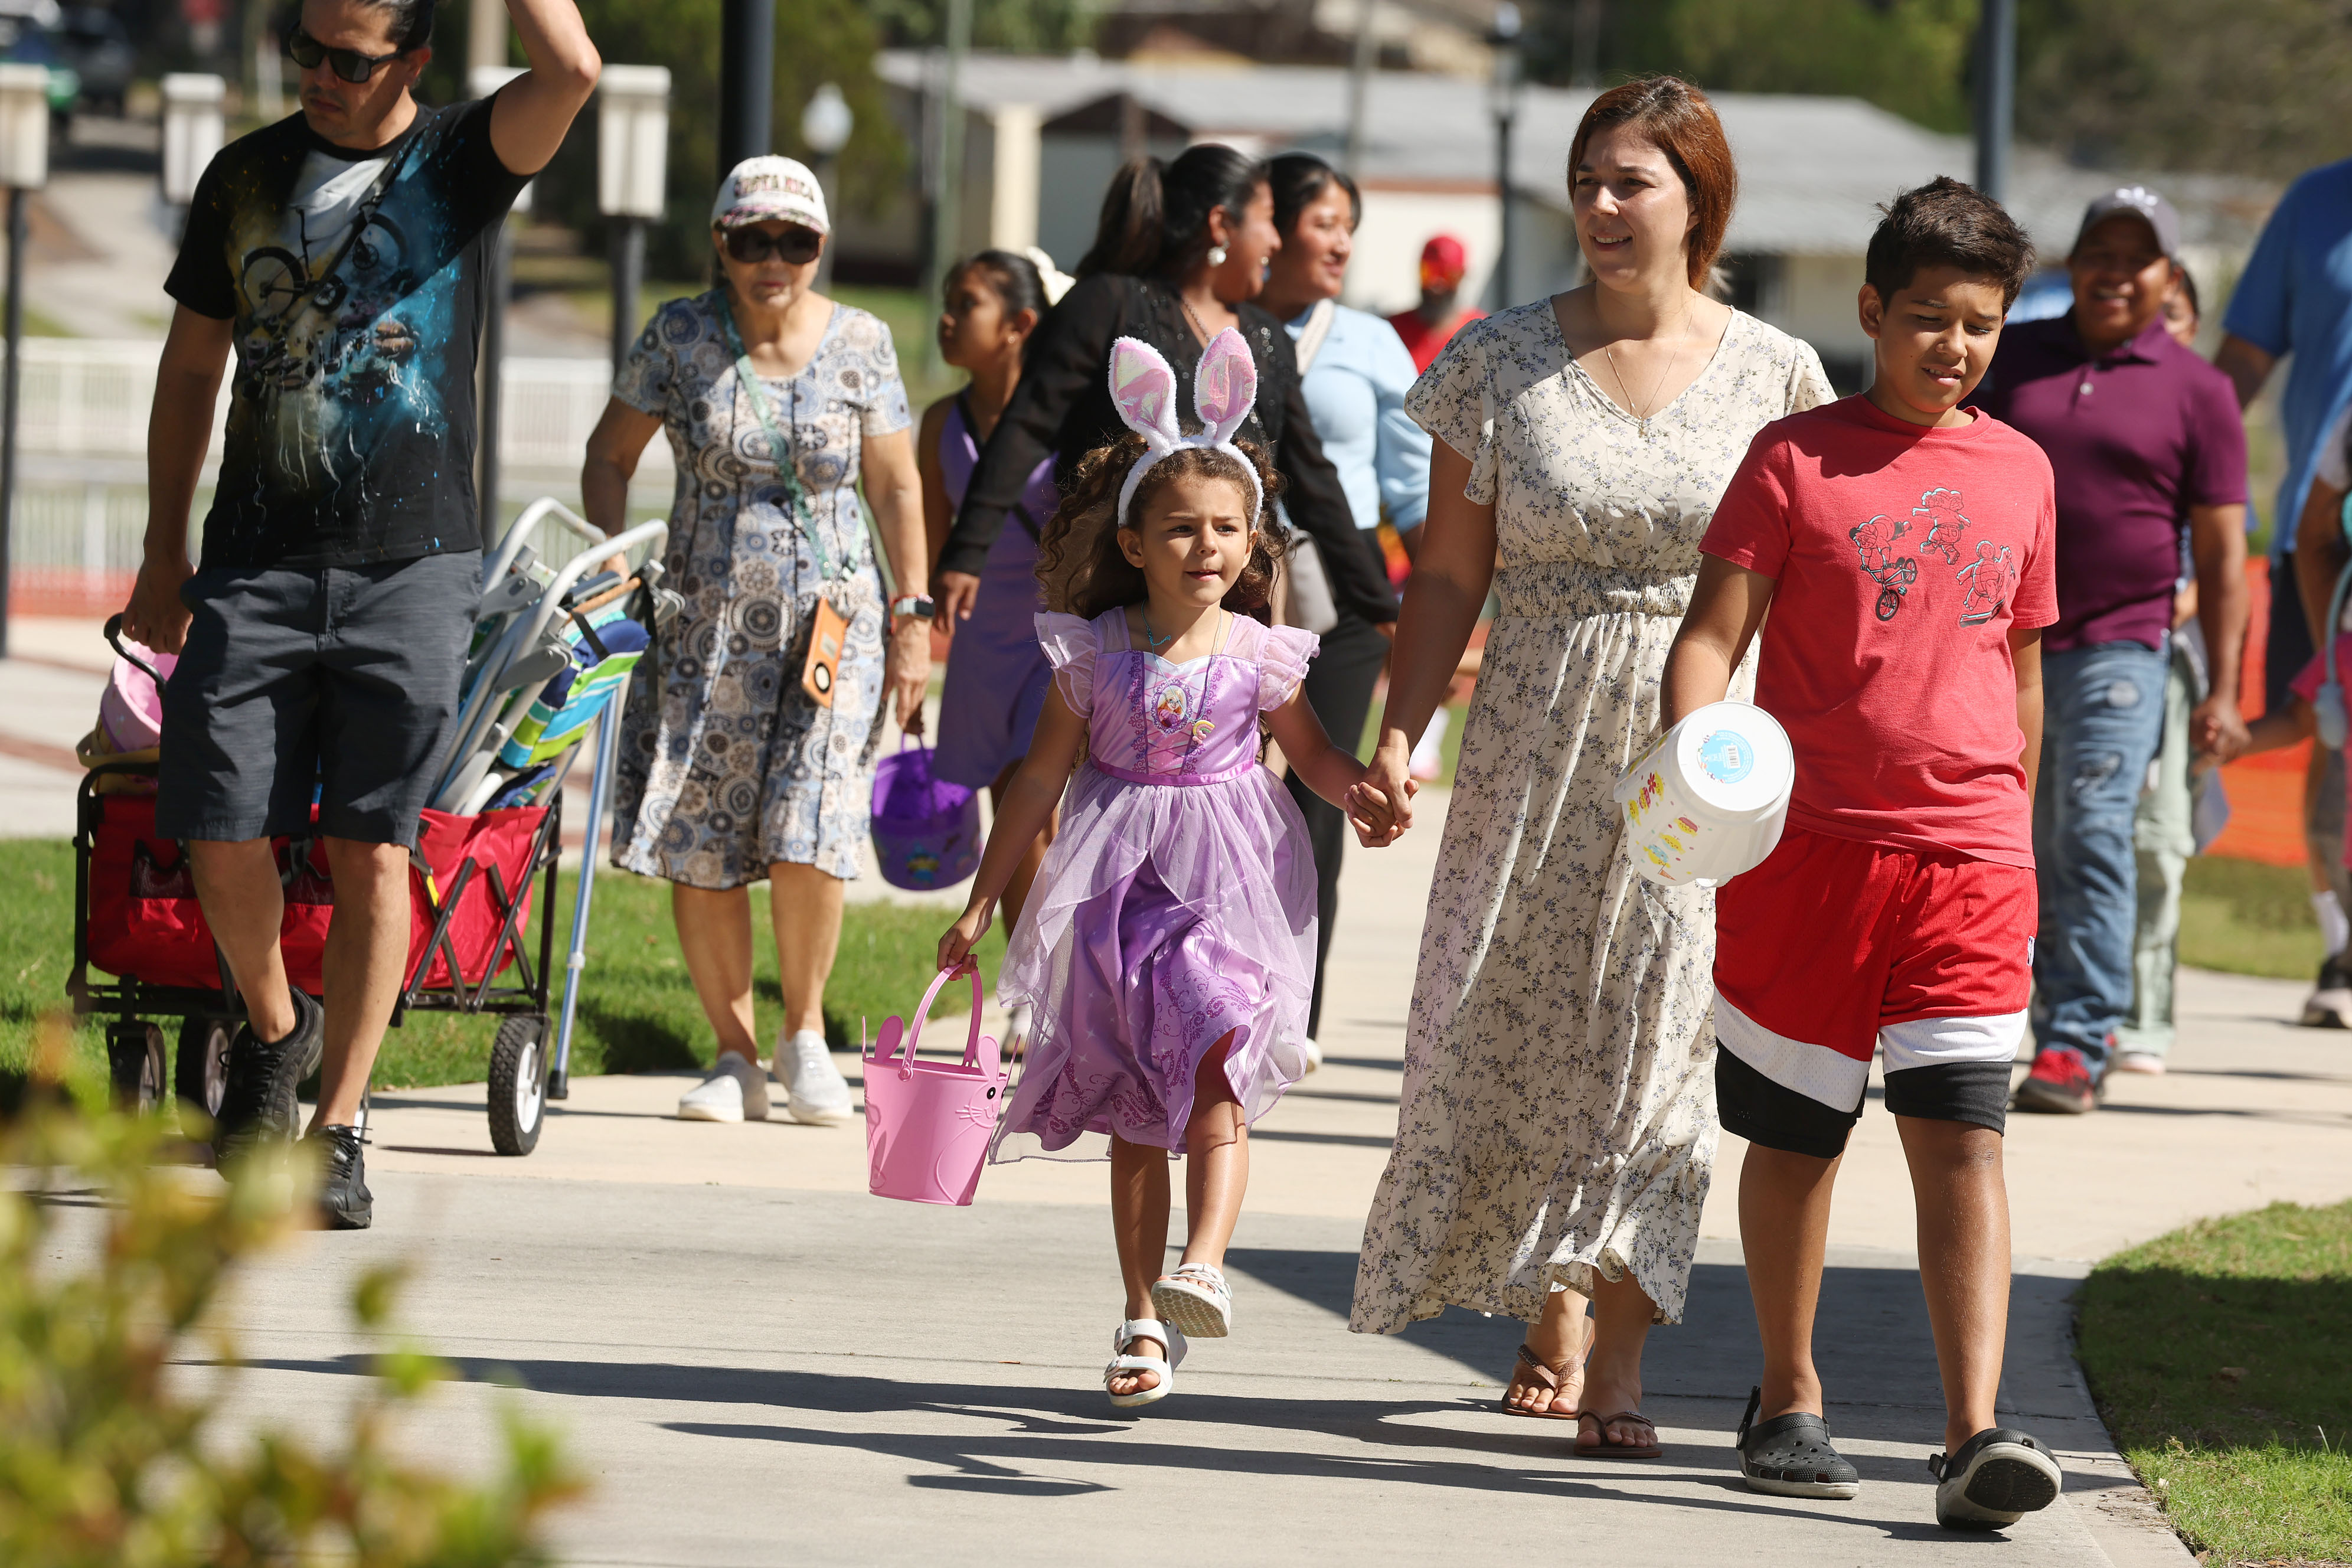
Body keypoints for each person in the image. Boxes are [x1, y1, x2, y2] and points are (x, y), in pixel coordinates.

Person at [1350, 77, 1834, 1459]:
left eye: (1633, 182)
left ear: (1699, 200)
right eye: (1587, 181)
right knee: (1519, 1020)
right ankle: (1548, 1295)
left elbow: (1806, 589)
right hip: (1529, 739)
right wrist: (1401, 736)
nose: (1603, 206)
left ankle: (1617, 1360)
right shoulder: (1498, 360)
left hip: (1699, 753)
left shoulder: (1778, 374)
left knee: (1660, 1043)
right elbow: (1449, 576)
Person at [119, 0, 599, 1227]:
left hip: (411, 565)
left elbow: (573, 67)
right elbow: (191, 367)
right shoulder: (244, 177)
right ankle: (276, 1030)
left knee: (374, 845)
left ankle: (338, 1127)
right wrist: (163, 550)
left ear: (412, 62)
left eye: (349, 58)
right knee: (216, 820)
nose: (320, 75)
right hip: (256, 560)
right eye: (305, 49)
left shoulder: (460, 163)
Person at [1665, 176, 2064, 1530]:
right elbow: (1712, 637)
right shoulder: (1795, 458)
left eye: (1980, 325)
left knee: (1965, 1138)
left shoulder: (2024, 471)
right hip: (1807, 854)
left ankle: (1973, 1432)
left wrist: (2017, 826)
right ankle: (1787, 1395)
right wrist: (1698, 764)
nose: (1953, 346)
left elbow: (2021, 668)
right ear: (1873, 311)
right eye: (1929, 318)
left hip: (1970, 862)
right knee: (1800, 1138)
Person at [935, 331, 1402, 1407]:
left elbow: (1314, 756)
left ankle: (1203, 1267)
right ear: (1134, 543)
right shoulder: (1092, 652)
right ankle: (1142, 1316)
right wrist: (980, 903)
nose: (1206, 546)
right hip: (1119, 901)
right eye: (1181, 528)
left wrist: (1361, 794)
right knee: (1133, 1113)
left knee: (1218, 1062)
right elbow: (1036, 786)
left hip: (1226, 891)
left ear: (1253, 540)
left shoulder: (1259, 652)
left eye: (1227, 528)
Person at [582, 157, 931, 1126]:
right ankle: (733, 1054)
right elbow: (608, 456)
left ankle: (804, 1034)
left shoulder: (862, 340)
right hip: (703, 632)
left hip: (833, 631)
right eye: (752, 240)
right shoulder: (679, 334)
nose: (773, 259)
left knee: (809, 823)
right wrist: (617, 566)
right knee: (703, 837)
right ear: (720, 244)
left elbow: (897, 485)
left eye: (796, 241)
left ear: (821, 247)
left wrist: (913, 619)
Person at [1974, 187, 2250, 1114]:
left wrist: (2223, 691)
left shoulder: (2200, 391)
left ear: (2169, 277)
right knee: (2003, 833)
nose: (2116, 274)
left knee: (2091, 832)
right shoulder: (2013, 358)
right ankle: (1975, 1017)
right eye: (2101, 253)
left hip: (2121, 647)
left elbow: (2224, 553)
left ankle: (2077, 1039)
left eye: (2138, 260)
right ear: (2075, 263)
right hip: (1997, 644)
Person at [936, 145, 1394, 661]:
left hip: (1235, 616)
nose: (1275, 240)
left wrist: (1381, 606)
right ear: (1221, 225)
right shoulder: (1109, 304)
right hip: (1114, 604)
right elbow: (1026, 428)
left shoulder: (1266, 337)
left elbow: (1313, 482)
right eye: (1268, 220)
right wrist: (966, 553)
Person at [1254, 151, 1431, 1053]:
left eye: (1349, 229)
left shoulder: (1369, 342)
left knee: (1316, 799)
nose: (1341, 244)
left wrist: (1439, 605)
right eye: (1324, 223)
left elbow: (1414, 486)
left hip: (1345, 594)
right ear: (1270, 226)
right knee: (1217, 792)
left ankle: (1294, 1016)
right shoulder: (1221, 325)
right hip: (1228, 587)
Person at [917, 249, 1067, 1057]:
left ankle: (1042, 994)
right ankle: (1034, 987)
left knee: (1034, 807)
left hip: (1056, 639)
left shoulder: (1069, 417)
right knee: (1009, 817)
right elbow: (936, 549)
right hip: (980, 647)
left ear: (1019, 326)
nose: (947, 317)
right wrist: (916, 641)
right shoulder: (940, 423)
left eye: (966, 303)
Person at [2216, 154, 2352, 1025]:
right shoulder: (2316, 204)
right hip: (2325, 533)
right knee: (2330, 732)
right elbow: (2242, 360)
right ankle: (2342, 946)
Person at [2116, 268, 2224, 1072]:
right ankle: (2070, 1010)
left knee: (2157, 843)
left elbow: (2218, 561)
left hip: (2166, 661)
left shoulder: (2203, 408)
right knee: (2072, 840)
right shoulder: (2082, 403)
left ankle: (2145, 1019)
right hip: (2081, 653)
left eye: (2175, 312)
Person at [1387, 233, 1485, 374]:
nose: (1436, 285)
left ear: (1462, 276)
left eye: (1446, 274)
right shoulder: (1392, 331)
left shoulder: (1481, 332)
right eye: (1429, 272)